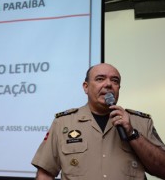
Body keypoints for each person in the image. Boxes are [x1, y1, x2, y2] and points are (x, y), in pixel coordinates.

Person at [31, 63, 165, 180]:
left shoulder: (141, 122)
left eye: (115, 81)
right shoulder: (63, 123)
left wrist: (132, 133)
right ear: (86, 87)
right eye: (100, 79)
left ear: (119, 88)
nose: (108, 84)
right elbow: (45, 174)